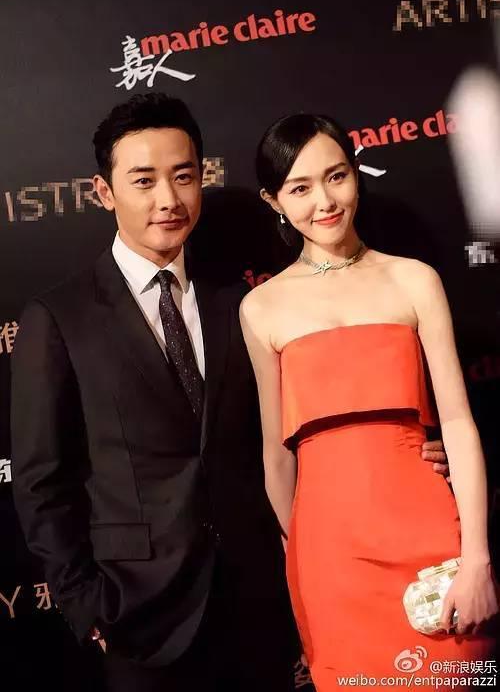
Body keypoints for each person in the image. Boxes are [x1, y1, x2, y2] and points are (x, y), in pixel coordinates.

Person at [11, 94, 449, 692]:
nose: (168, 199)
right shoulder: (60, 317)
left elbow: (297, 428)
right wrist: (85, 604)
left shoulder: (240, 302)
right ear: (104, 192)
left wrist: (406, 458)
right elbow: (42, 481)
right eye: (144, 181)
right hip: (137, 616)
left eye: (183, 176)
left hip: (257, 602)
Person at [239, 113, 499, 691]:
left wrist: (477, 557)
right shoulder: (261, 308)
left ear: (356, 175)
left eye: (336, 176)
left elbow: (458, 422)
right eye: (300, 188)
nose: (325, 201)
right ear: (274, 201)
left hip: (429, 535)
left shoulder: (414, 280)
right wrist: (299, 557)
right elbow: (277, 458)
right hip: (329, 553)